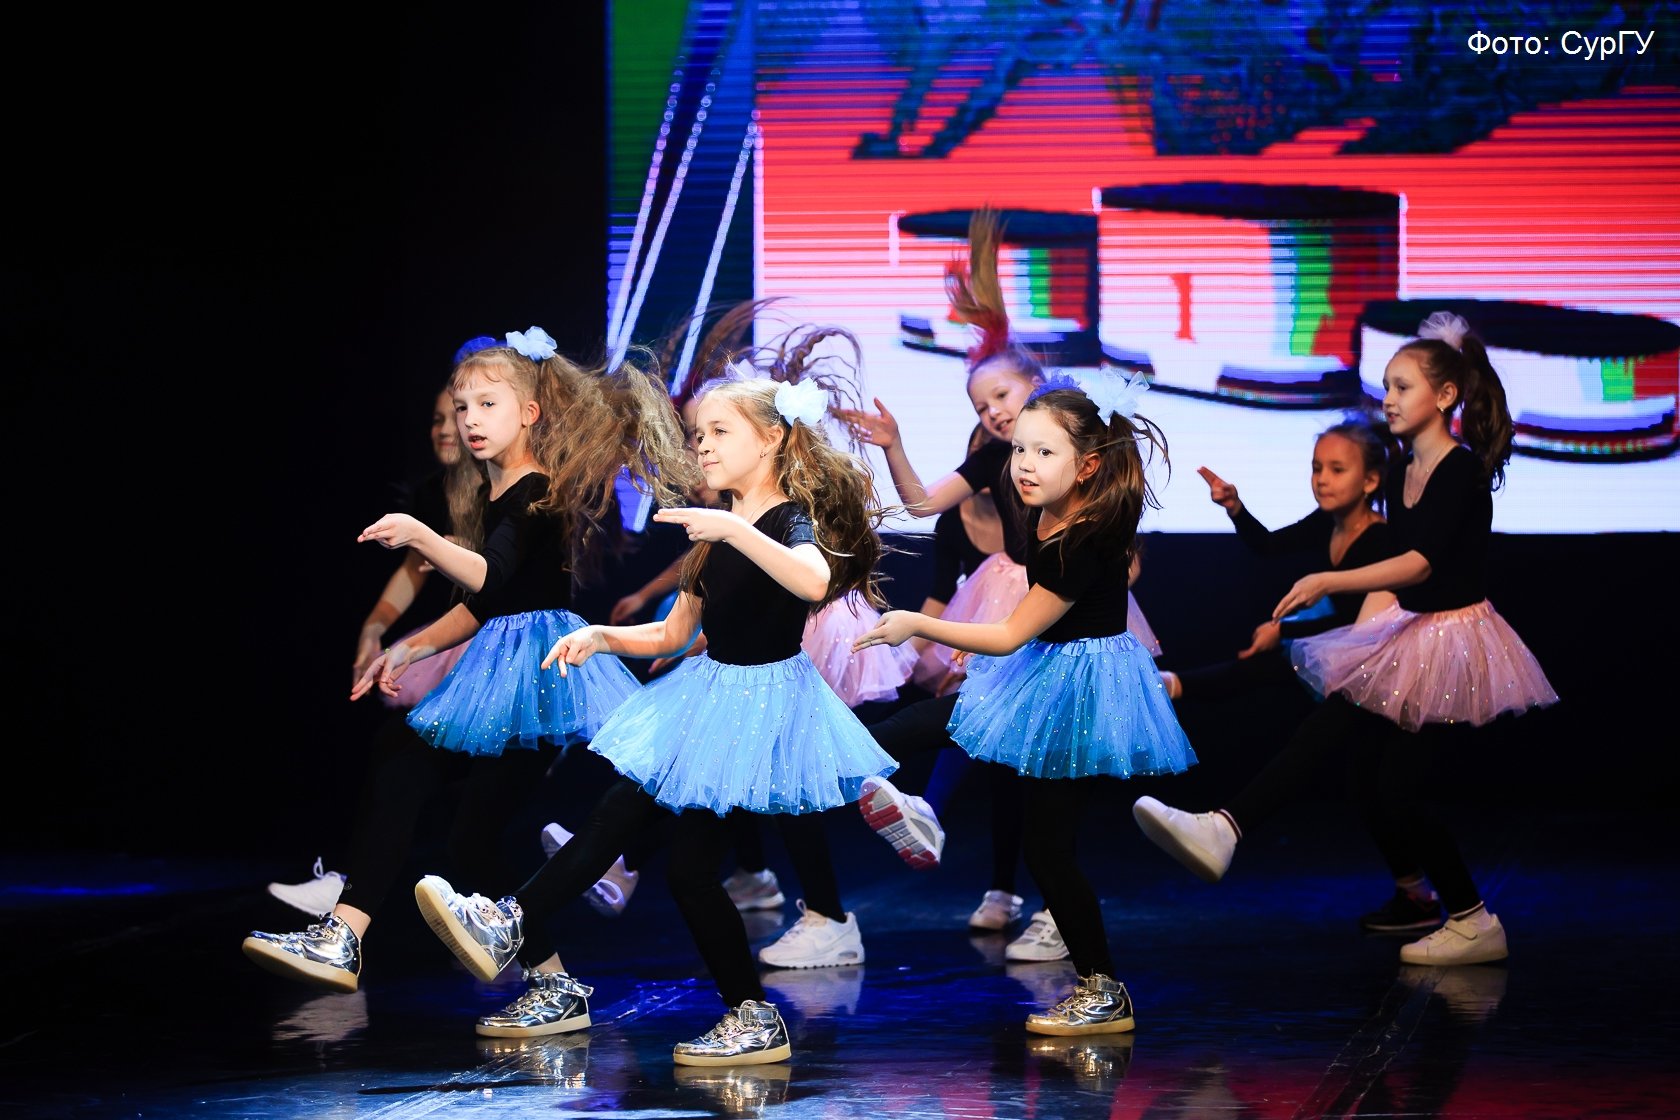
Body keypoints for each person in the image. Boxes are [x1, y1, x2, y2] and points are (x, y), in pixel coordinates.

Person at [409, 370, 900, 1066]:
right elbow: (674, 634)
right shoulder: (715, 534)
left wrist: (732, 528)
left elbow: (813, 579)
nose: (703, 446)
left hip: (761, 713)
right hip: (712, 698)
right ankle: (745, 1012)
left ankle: (511, 922)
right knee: (666, 854)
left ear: (770, 439)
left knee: (652, 840)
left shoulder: (787, 519)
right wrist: (602, 636)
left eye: (719, 432)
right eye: (698, 434)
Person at [241, 328, 694, 994]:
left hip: (537, 682)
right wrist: (408, 646)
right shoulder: (496, 489)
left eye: (487, 405)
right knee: (457, 828)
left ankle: (350, 934)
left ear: (529, 413)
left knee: (425, 783)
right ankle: (541, 982)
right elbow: (489, 605)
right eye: (462, 407)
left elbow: (488, 575)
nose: (470, 421)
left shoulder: (534, 489)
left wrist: (421, 535)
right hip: (504, 667)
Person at [1132, 311, 1559, 967]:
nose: (1388, 398)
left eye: (1403, 387)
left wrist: (1329, 579)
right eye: (1385, 386)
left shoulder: (1459, 470)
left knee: (1396, 787)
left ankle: (1472, 919)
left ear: (1445, 395)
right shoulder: (1403, 468)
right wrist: (1357, 636)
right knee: (1349, 747)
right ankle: (1225, 828)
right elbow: (1395, 576)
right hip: (1414, 629)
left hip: (1452, 639)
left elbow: (1420, 565)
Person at [853, 370, 1196, 1036]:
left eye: (1044, 452)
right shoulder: (1054, 511)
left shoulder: (1081, 539)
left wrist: (920, 624)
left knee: (1043, 843)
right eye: (1019, 451)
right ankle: (1101, 989)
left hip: (1076, 690)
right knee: (1034, 833)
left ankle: (1103, 990)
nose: (1024, 465)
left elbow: (1011, 633)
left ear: (1088, 465)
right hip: (1051, 668)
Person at [266, 373, 474, 919]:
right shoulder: (433, 494)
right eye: (437, 417)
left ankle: (507, 915)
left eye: (458, 414)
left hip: (497, 654)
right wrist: (373, 627)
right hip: (452, 647)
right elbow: (412, 572)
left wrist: (454, 548)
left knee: (470, 799)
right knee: (399, 760)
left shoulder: (505, 490)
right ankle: (352, 895)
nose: (445, 428)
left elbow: (502, 575)